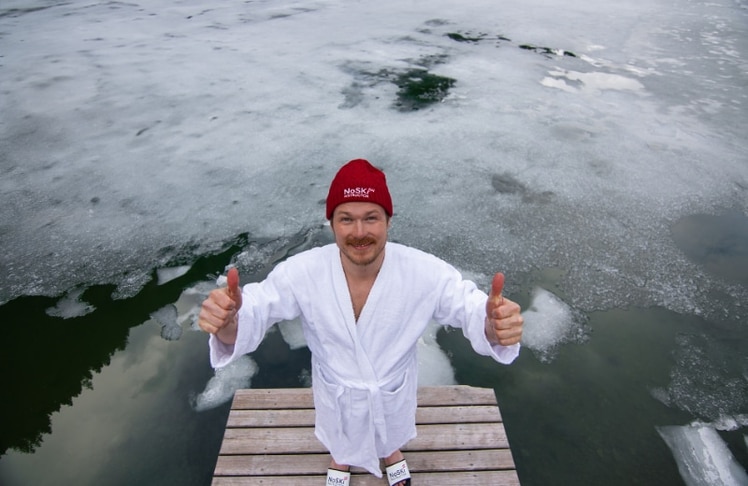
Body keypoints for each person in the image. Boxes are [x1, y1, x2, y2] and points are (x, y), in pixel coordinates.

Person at [198, 159, 524, 486]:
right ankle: (340, 457)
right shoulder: (302, 272)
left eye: (371, 218)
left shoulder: (424, 271)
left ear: (388, 221)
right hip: (336, 391)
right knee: (341, 436)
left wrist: (491, 325)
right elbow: (255, 308)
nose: (359, 232)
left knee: (392, 430)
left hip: (392, 391)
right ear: (331, 223)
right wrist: (228, 321)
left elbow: (468, 305)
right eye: (346, 219)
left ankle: (391, 453)